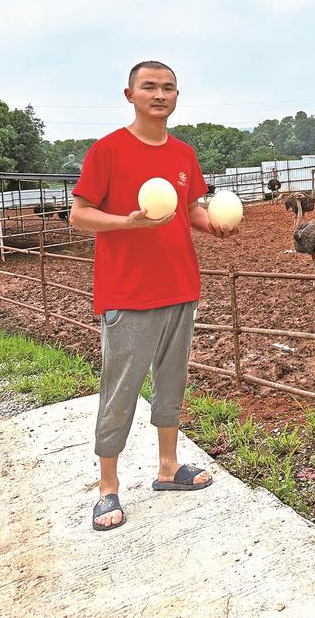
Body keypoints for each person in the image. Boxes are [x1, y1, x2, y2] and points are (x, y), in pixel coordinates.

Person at [71, 60, 237, 531]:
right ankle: (108, 488)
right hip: (127, 293)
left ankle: (168, 468)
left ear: (177, 96)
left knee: (172, 383)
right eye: (149, 87)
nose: (159, 94)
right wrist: (127, 222)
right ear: (130, 95)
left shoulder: (184, 154)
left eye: (168, 88)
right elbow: (79, 215)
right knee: (119, 392)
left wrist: (215, 225)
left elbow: (191, 211)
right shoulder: (108, 151)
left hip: (181, 286)